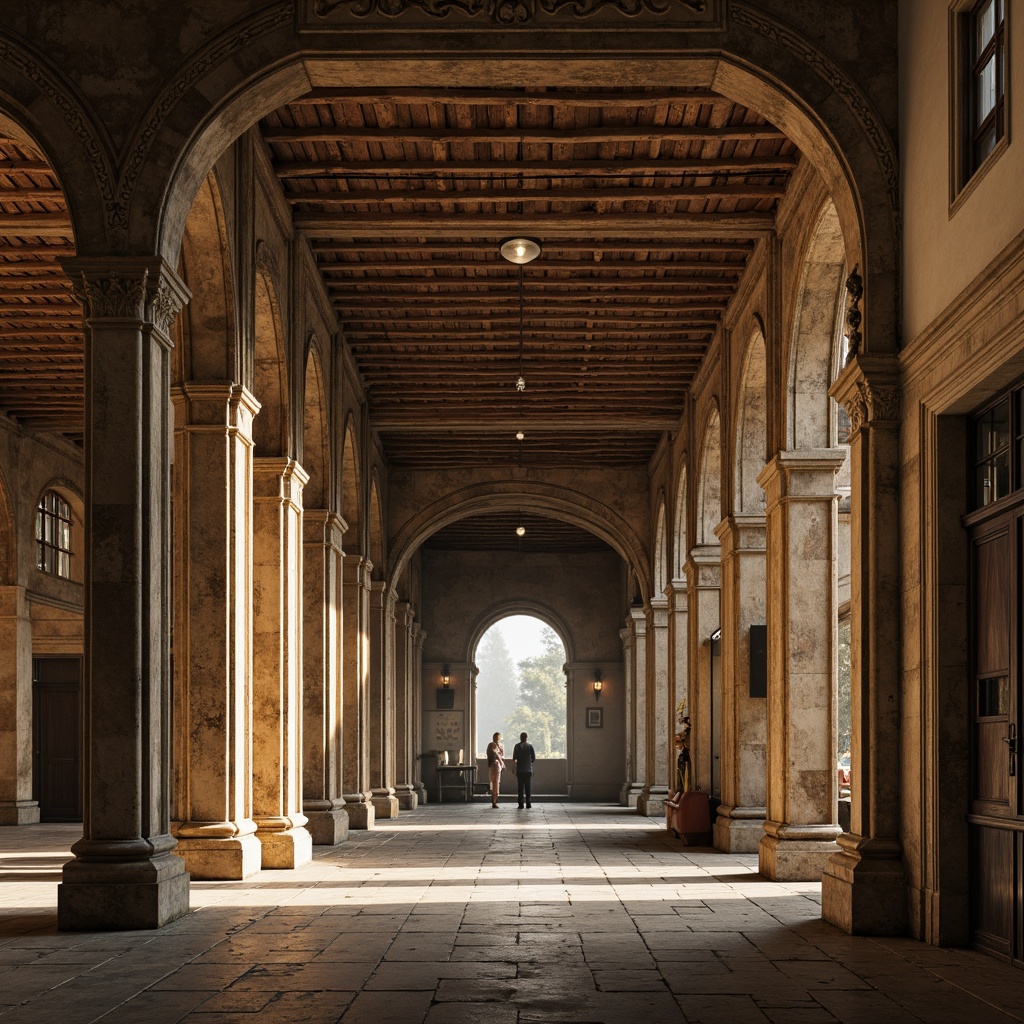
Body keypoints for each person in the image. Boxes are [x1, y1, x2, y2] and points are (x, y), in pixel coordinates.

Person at [512, 731, 536, 809]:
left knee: (520, 788)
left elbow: (514, 758)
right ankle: (528, 803)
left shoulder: (517, 746)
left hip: (520, 770)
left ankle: (520, 803)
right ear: (527, 738)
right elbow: (533, 758)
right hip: (528, 770)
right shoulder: (530, 746)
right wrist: (529, 763)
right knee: (528, 788)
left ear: (520, 737)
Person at [485, 732, 505, 808]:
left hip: (494, 766)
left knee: (494, 783)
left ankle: (494, 800)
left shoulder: (492, 745)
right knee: (496, 783)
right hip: (497, 766)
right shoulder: (497, 746)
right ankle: (494, 800)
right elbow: (501, 756)